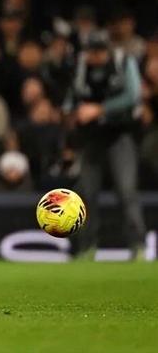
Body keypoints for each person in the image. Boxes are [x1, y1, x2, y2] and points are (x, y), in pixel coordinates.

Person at [63, 31, 146, 260]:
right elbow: (71, 98)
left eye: (100, 51)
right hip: (91, 137)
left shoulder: (123, 62)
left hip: (120, 134)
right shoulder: (81, 67)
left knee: (126, 190)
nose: (96, 56)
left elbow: (133, 96)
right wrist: (70, 113)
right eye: (92, 51)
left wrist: (100, 109)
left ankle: (138, 245)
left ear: (107, 49)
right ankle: (87, 247)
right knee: (86, 193)